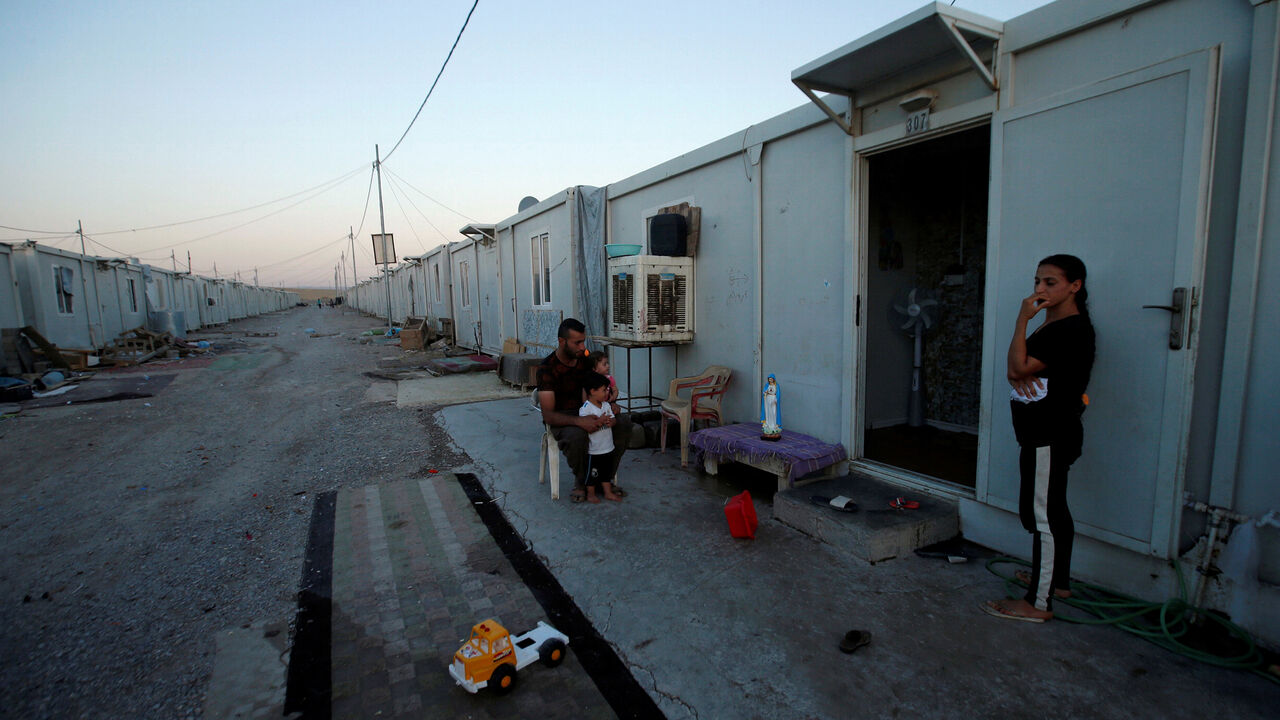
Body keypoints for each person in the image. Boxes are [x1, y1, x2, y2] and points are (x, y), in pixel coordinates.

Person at [983, 254, 1095, 623]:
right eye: (1037, 282)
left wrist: (1021, 320)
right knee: (1054, 508)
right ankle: (1057, 582)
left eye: (1050, 282)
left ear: (1074, 286)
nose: (1040, 290)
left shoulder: (1071, 330)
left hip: (1050, 433)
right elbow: (1018, 370)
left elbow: (1017, 367)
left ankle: (1038, 604)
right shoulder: (1055, 326)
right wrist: (1021, 364)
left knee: (1043, 516)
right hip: (1042, 431)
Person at [537, 318, 632, 503]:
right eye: (577, 342)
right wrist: (580, 421)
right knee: (577, 436)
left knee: (623, 423)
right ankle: (582, 482)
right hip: (563, 417)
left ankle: (604, 478)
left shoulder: (584, 361)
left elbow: (599, 387)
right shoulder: (547, 368)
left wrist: (609, 401)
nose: (582, 347)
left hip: (591, 409)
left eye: (583, 341)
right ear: (562, 342)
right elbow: (548, 415)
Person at [579, 371, 624, 503]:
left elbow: (613, 419)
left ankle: (608, 492)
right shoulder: (586, 408)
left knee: (606, 473)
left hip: (607, 447)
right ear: (593, 391)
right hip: (595, 450)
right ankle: (591, 494)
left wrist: (612, 422)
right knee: (593, 473)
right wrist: (601, 420)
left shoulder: (606, 405)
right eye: (604, 390)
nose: (607, 393)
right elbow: (588, 426)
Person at [760, 374, 781, 439]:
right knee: (768, 412)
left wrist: (776, 399)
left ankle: (774, 425)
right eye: (769, 379)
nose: (770, 380)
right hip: (768, 399)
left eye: (771, 379)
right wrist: (765, 393)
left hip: (773, 399)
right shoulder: (767, 385)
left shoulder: (776, 386)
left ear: (773, 379)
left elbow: (778, 393)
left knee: (773, 413)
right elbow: (764, 392)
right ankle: (768, 425)